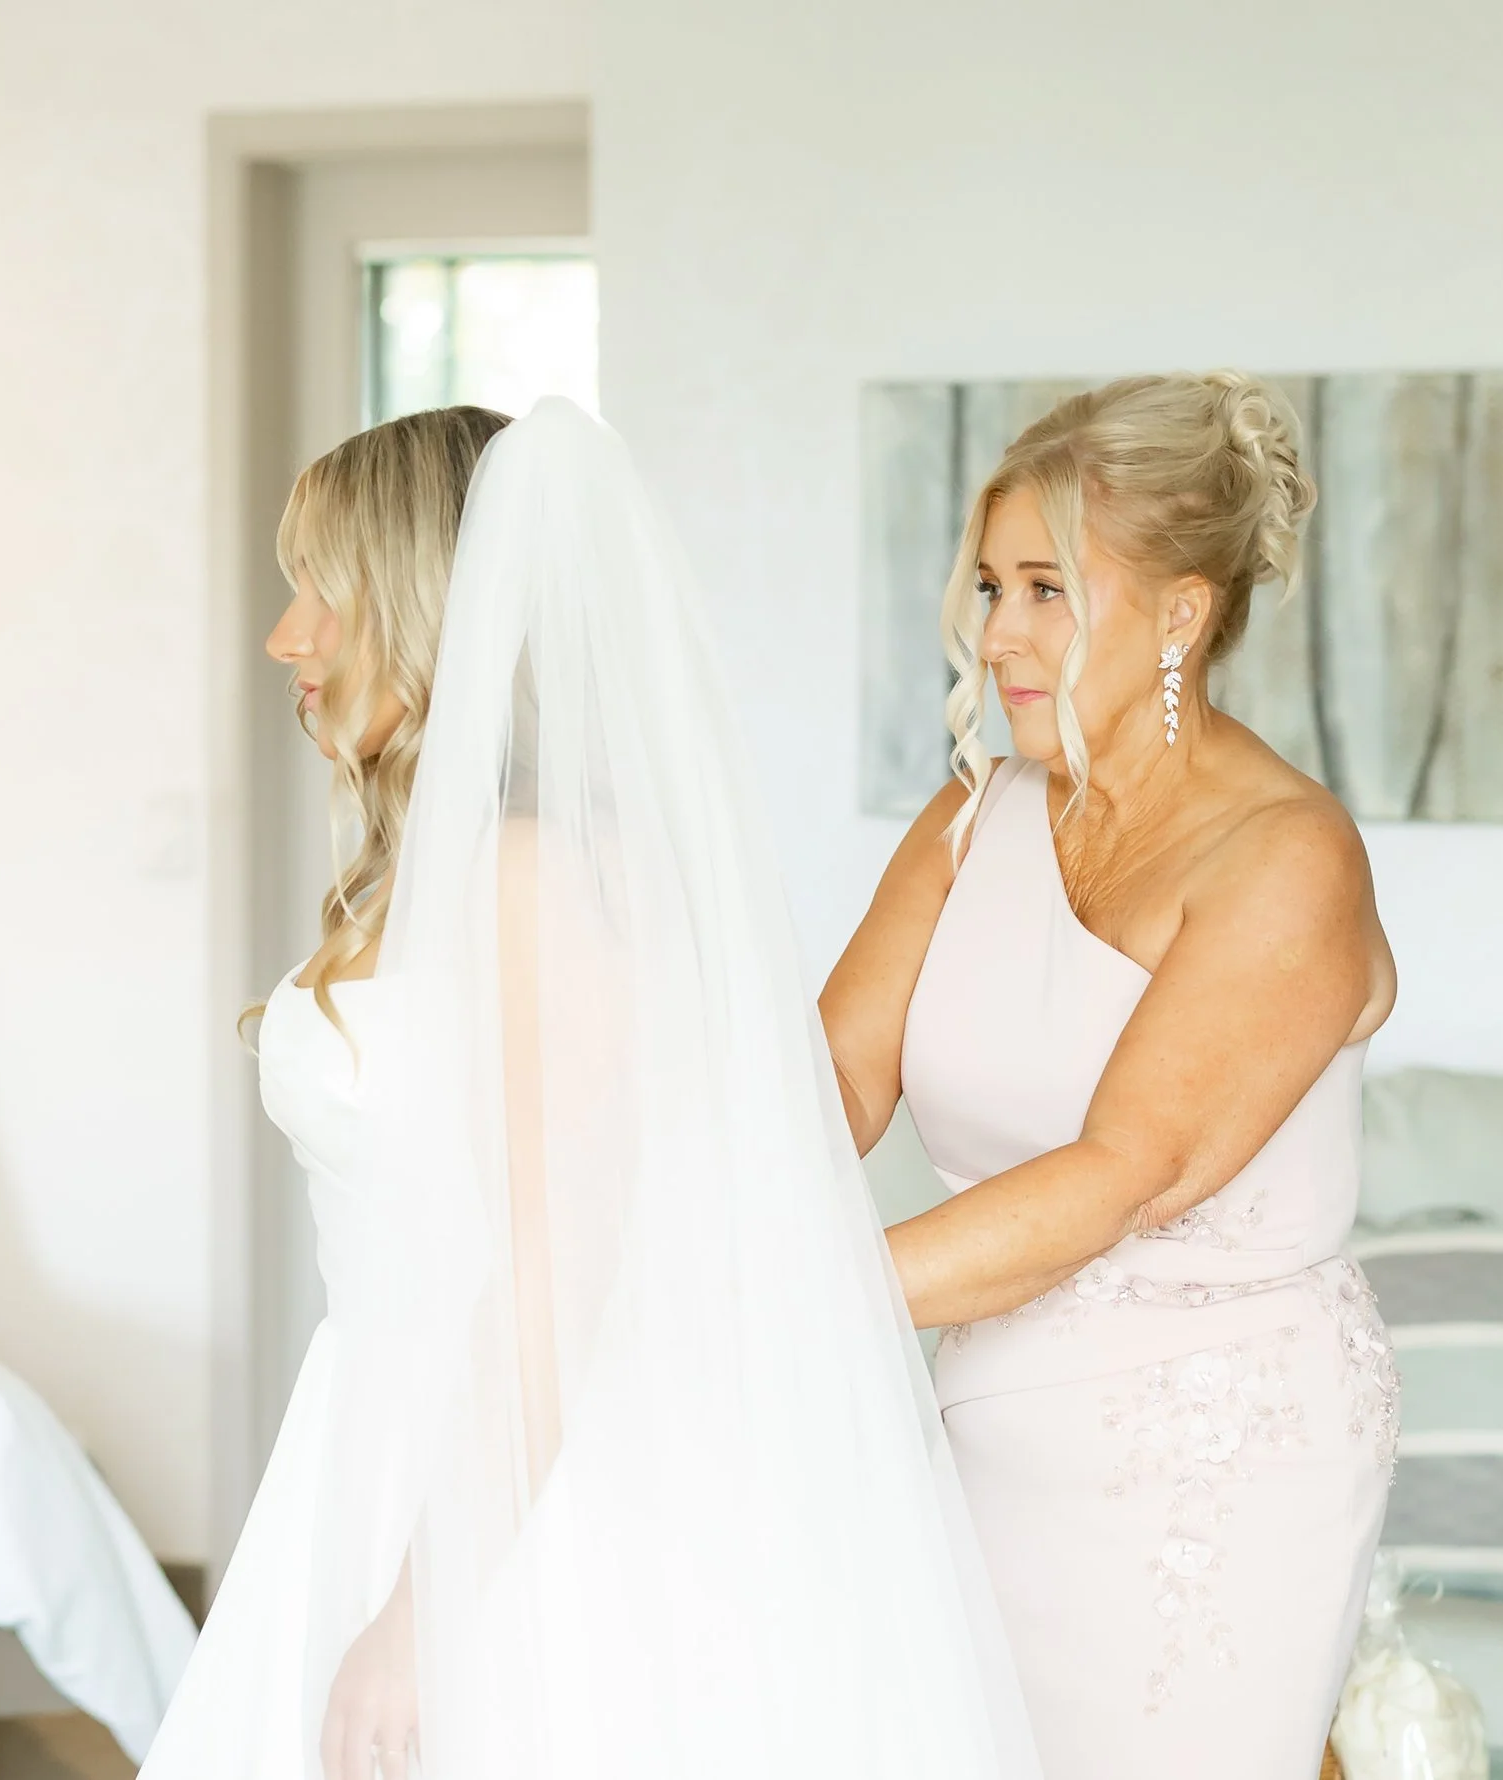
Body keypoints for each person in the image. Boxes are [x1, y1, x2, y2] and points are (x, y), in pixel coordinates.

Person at [137, 399, 1039, 1780]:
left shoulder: (535, 872)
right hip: (384, 1437)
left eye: (321, 588)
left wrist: (419, 1616)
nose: (286, 636)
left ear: (428, 608)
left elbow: (562, 1261)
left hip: (517, 1471)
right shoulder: (444, 863)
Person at [820, 372, 1401, 1780]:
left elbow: (1118, 1175)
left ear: (1183, 614)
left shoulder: (1286, 854)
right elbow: (833, 1072)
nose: (999, 636)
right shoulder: (976, 816)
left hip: (1214, 1469)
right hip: (986, 1438)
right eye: (991, 588)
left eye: (1048, 592)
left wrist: (782, 1296)